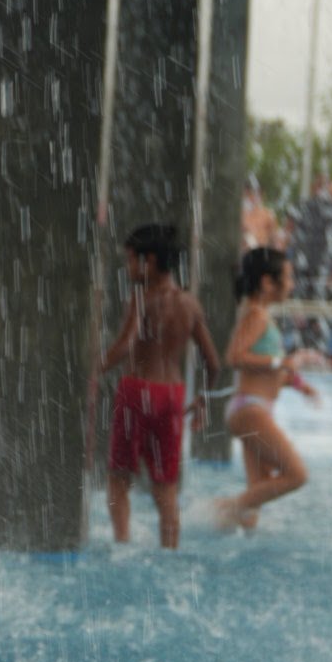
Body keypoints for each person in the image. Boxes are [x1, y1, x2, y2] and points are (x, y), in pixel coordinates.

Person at [99, 222, 220, 549]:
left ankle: (121, 545)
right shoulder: (190, 304)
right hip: (172, 396)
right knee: (166, 487)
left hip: (138, 391)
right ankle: (170, 550)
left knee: (119, 479)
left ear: (148, 261)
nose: (128, 269)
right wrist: (203, 401)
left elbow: (125, 344)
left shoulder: (143, 297)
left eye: (129, 261)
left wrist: (96, 370)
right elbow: (214, 364)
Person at [214, 247, 318, 532]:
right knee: (296, 475)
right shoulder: (256, 315)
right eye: (288, 277)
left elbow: (262, 370)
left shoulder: (260, 316)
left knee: (257, 495)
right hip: (250, 410)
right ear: (267, 283)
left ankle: (233, 530)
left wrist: (296, 383)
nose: (292, 284)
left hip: (252, 408)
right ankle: (218, 512)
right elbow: (235, 357)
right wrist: (281, 361)